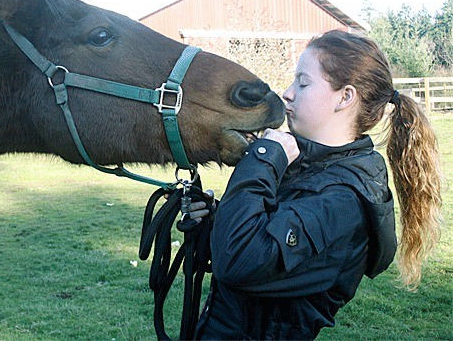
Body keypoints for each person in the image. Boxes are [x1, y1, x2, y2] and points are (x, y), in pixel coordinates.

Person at [187, 29, 442, 340]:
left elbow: (239, 261)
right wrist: (216, 220)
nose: (288, 93)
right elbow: (256, 248)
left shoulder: (345, 201)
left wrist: (264, 159)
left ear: (345, 97)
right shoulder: (307, 167)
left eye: (303, 83)